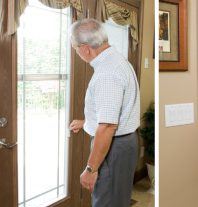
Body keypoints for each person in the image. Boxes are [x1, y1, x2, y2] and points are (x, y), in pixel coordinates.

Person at [67, 18, 140, 207]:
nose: (76, 53)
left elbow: (108, 126)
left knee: (108, 203)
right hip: (124, 143)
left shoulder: (107, 73)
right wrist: (87, 122)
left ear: (85, 48)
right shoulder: (117, 60)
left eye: (75, 49)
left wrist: (91, 170)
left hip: (114, 147)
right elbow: (116, 110)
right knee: (117, 200)